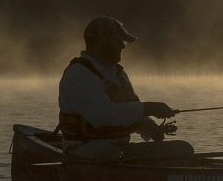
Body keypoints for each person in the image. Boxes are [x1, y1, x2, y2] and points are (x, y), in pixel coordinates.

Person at [57, 16, 195, 162]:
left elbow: (130, 109)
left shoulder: (118, 73)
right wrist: (148, 108)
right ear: (102, 42)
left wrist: (148, 124)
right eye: (119, 41)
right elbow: (102, 116)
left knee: (183, 149)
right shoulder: (79, 74)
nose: (123, 46)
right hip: (83, 150)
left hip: (120, 150)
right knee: (109, 154)